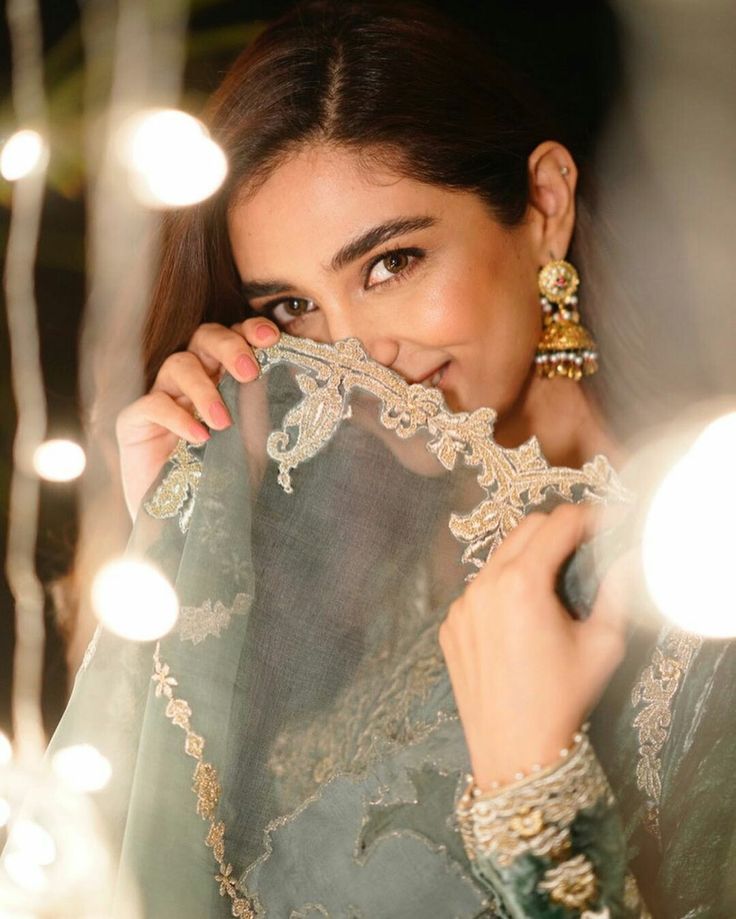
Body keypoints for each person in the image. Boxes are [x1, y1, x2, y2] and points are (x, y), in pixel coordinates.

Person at [53, 2, 736, 916]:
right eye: (295, 308)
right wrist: (191, 549)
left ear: (544, 207)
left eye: (391, 263)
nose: (351, 357)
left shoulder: (705, 568)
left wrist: (536, 799)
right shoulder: (351, 587)